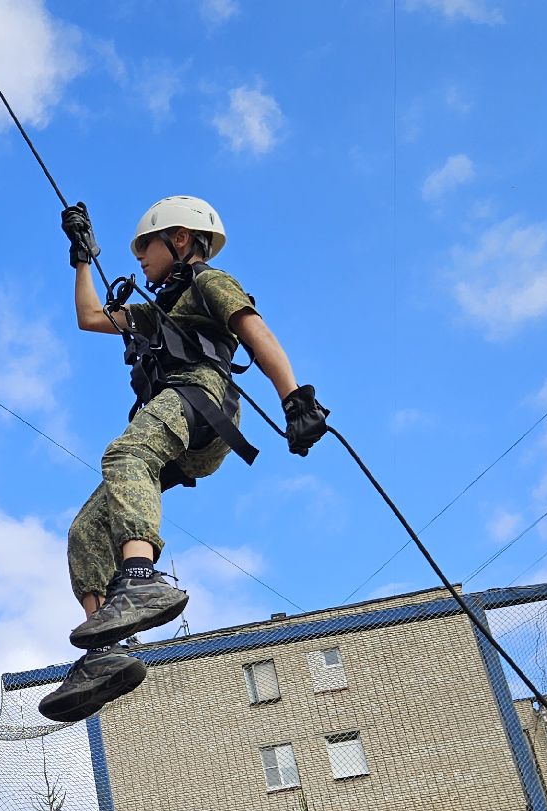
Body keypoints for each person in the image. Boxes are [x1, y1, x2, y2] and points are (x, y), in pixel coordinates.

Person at [37, 196, 329, 723]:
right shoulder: (157, 312)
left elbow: (257, 336)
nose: (140, 258)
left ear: (178, 240)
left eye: (145, 246)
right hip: (182, 427)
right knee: (87, 528)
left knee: (127, 452)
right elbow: (89, 317)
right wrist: (83, 256)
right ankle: (103, 655)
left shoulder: (209, 284)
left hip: (201, 400)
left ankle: (141, 578)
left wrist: (294, 400)